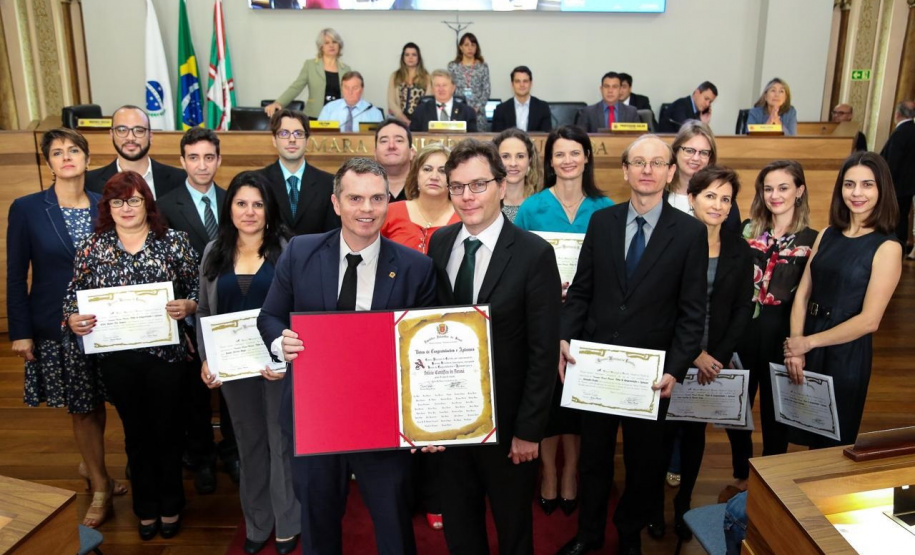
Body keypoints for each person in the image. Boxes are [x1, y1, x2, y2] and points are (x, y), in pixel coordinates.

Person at [257, 157, 437, 555]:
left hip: (384, 419)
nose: (367, 209)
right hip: (315, 415)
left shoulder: (415, 268)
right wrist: (278, 345)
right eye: (355, 198)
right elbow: (270, 316)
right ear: (336, 203)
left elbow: (426, 348)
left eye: (376, 198)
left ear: (388, 202)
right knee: (318, 520)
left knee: (393, 521)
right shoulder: (300, 253)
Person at [557, 134, 707, 555]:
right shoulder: (602, 222)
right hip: (597, 368)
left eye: (657, 163)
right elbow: (581, 292)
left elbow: (692, 313)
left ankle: (627, 533)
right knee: (594, 461)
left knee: (645, 465)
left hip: (651, 375)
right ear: (624, 171)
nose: (647, 170)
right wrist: (565, 337)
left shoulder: (690, 233)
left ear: (671, 171)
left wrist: (676, 367)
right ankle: (588, 534)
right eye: (638, 162)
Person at [427, 138, 561, 554]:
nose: (467, 197)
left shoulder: (534, 253)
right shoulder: (441, 243)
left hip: (508, 428)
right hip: (450, 420)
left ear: (502, 187)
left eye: (478, 184)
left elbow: (543, 352)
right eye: (457, 187)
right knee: (460, 524)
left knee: (513, 527)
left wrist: (528, 431)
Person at [63, 171, 199, 541]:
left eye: (134, 200)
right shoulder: (93, 247)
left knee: (169, 430)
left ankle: (171, 504)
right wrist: (73, 319)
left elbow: (197, 291)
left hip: (166, 356)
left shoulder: (174, 242)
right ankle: (145, 507)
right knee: (136, 434)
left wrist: (189, 305)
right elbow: (71, 299)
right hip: (117, 359)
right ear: (107, 207)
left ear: (147, 203)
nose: (126, 208)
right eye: (117, 201)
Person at [7, 128, 125, 528]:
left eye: (74, 150)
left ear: (89, 159)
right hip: (57, 327)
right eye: (57, 152)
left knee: (107, 398)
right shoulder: (27, 209)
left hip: (108, 322)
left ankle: (93, 465)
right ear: (49, 162)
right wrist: (20, 331)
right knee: (82, 407)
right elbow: (15, 275)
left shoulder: (105, 205)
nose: (67, 157)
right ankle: (100, 484)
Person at [513, 124, 612, 520]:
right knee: (548, 397)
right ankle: (548, 471)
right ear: (549, 161)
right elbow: (516, 263)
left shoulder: (605, 209)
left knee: (577, 399)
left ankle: (571, 470)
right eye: (560, 154)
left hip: (589, 317)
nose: (568, 160)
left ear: (586, 156)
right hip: (542, 315)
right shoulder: (532, 208)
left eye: (575, 152)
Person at [198, 172, 299, 555]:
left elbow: (301, 308)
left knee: (281, 442)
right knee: (249, 443)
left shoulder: (289, 249)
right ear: (230, 208)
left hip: (278, 367)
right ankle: (257, 521)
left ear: (269, 210)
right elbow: (205, 309)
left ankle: (288, 520)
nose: (249, 211)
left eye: (258, 204)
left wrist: (286, 360)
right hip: (234, 371)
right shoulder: (214, 250)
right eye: (241, 203)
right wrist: (207, 359)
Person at [653, 166, 753, 542]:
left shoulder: (739, 249)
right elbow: (660, 306)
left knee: (694, 436)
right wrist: (693, 353)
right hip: (674, 355)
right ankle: (652, 507)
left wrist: (720, 354)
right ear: (691, 199)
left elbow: (744, 307)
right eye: (710, 195)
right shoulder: (670, 241)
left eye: (726, 198)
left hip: (715, 361)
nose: (718, 204)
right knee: (660, 435)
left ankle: (684, 506)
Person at [784, 151, 902, 447]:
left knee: (831, 444)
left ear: (881, 190)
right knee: (798, 431)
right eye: (849, 185)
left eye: (867, 185)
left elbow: (870, 320)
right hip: (808, 339)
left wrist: (808, 343)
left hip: (845, 351)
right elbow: (802, 294)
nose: (857, 193)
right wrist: (797, 344)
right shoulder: (826, 234)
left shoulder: (887, 246)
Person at [719, 160, 817, 503]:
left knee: (776, 410)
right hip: (741, 328)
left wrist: (799, 345)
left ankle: (772, 476)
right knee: (736, 405)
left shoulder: (813, 239)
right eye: (768, 188)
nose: (775, 195)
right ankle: (743, 473)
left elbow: (806, 296)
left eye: (784, 188)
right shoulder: (747, 229)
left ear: (800, 191)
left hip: (781, 332)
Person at [157, 127, 236, 494]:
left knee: (234, 383)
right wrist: (187, 305)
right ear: (182, 161)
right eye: (194, 157)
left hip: (229, 308)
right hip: (186, 314)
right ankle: (201, 457)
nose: (202, 165)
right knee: (195, 393)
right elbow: (161, 266)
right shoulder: (165, 205)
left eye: (209, 157)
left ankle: (232, 452)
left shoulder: (232, 200)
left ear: (219, 160)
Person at [255, 109, 339, 235]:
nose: (292, 139)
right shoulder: (258, 181)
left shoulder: (328, 184)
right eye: (284, 133)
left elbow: (333, 236)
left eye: (298, 133)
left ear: (307, 141)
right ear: (274, 140)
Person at [85, 105, 186, 198]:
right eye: (122, 130)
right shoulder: (90, 182)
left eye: (139, 130)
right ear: (111, 134)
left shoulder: (180, 179)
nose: (130, 138)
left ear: (150, 136)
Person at [381, 143, 459, 255]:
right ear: (416, 174)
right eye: (427, 169)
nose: (434, 177)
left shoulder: (462, 217)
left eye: (442, 171)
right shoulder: (390, 212)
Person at [668, 121, 741, 232]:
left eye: (703, 153)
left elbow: (733, 240)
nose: (696, 158)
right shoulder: (659, 194)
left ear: (710, 157)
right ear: (676, 151)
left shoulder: (723, 197)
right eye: (689, 151)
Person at [264, 28, 351, 120]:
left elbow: (350, 94)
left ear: (339, 45)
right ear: (321, 46)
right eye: (327, 43)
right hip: (314, 116)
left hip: (338, 117)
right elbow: (296, 87)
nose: (331, 45)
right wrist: (279, 103)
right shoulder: (310, 65)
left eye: (334, 42)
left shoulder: (346, 69)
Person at [879, 100, 915, 255]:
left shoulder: (900, 133)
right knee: (902, 218)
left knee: (894, 220)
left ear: (897, 114)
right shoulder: (913, 130)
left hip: (896, 186)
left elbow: (892, 163)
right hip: (908, 186)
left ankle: (893, 251)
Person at [493, 128, 542, 222]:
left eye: (520, 156)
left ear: (530, 160)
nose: (513, 163)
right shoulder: (486, 204)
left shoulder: (542, 204)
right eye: (505, 156)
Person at [447, 32, 491, 132]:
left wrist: (477, 108)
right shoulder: (453, 66)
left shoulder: (482, 66)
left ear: (476, 48)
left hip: (478, 113)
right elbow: (450, 90)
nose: (470, 48)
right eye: (466, 45)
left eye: (473, 45)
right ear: (461, 48)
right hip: (458, 111)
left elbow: (486, 90)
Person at [410, 70, 478, 132]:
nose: (441, 89)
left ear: (453, 88)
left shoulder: (467, 112)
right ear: (432, 89)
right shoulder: (420, 111)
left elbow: (473, 139)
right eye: (437, 85)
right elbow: (413, 135)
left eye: (444, 85)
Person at [491, 66, 553, 133]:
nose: (522, 85)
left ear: (531, 84)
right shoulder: (501, 110)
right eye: (517, 81)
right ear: (512, 84)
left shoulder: (542, 108)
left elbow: (546, 137)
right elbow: (497, 138)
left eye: (525, 81)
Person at [316, 71, 383, 131]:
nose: (350, 92)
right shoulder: (329, 109)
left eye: (355, 88)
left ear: (362, 90)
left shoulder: (374, 113)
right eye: (346, 88)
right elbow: (318, 135)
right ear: (341, 89)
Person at [387, 42, 432, 125]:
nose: (410, 57)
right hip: (398, 120)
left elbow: (428, 102)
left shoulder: (427, 77)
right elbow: (391, 101)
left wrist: (415, 120)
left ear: (419, 58)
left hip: (420, 121)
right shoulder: (395, 76)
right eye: (407, 55)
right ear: (403, 58)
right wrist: (401, 117)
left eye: (414, 55)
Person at [374, 119, 415, 202]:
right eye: (384, 141)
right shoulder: (363, 187)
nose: (391, 146)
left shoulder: (424, 188)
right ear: (375, 153)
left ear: (412, 152)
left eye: (399, 140)